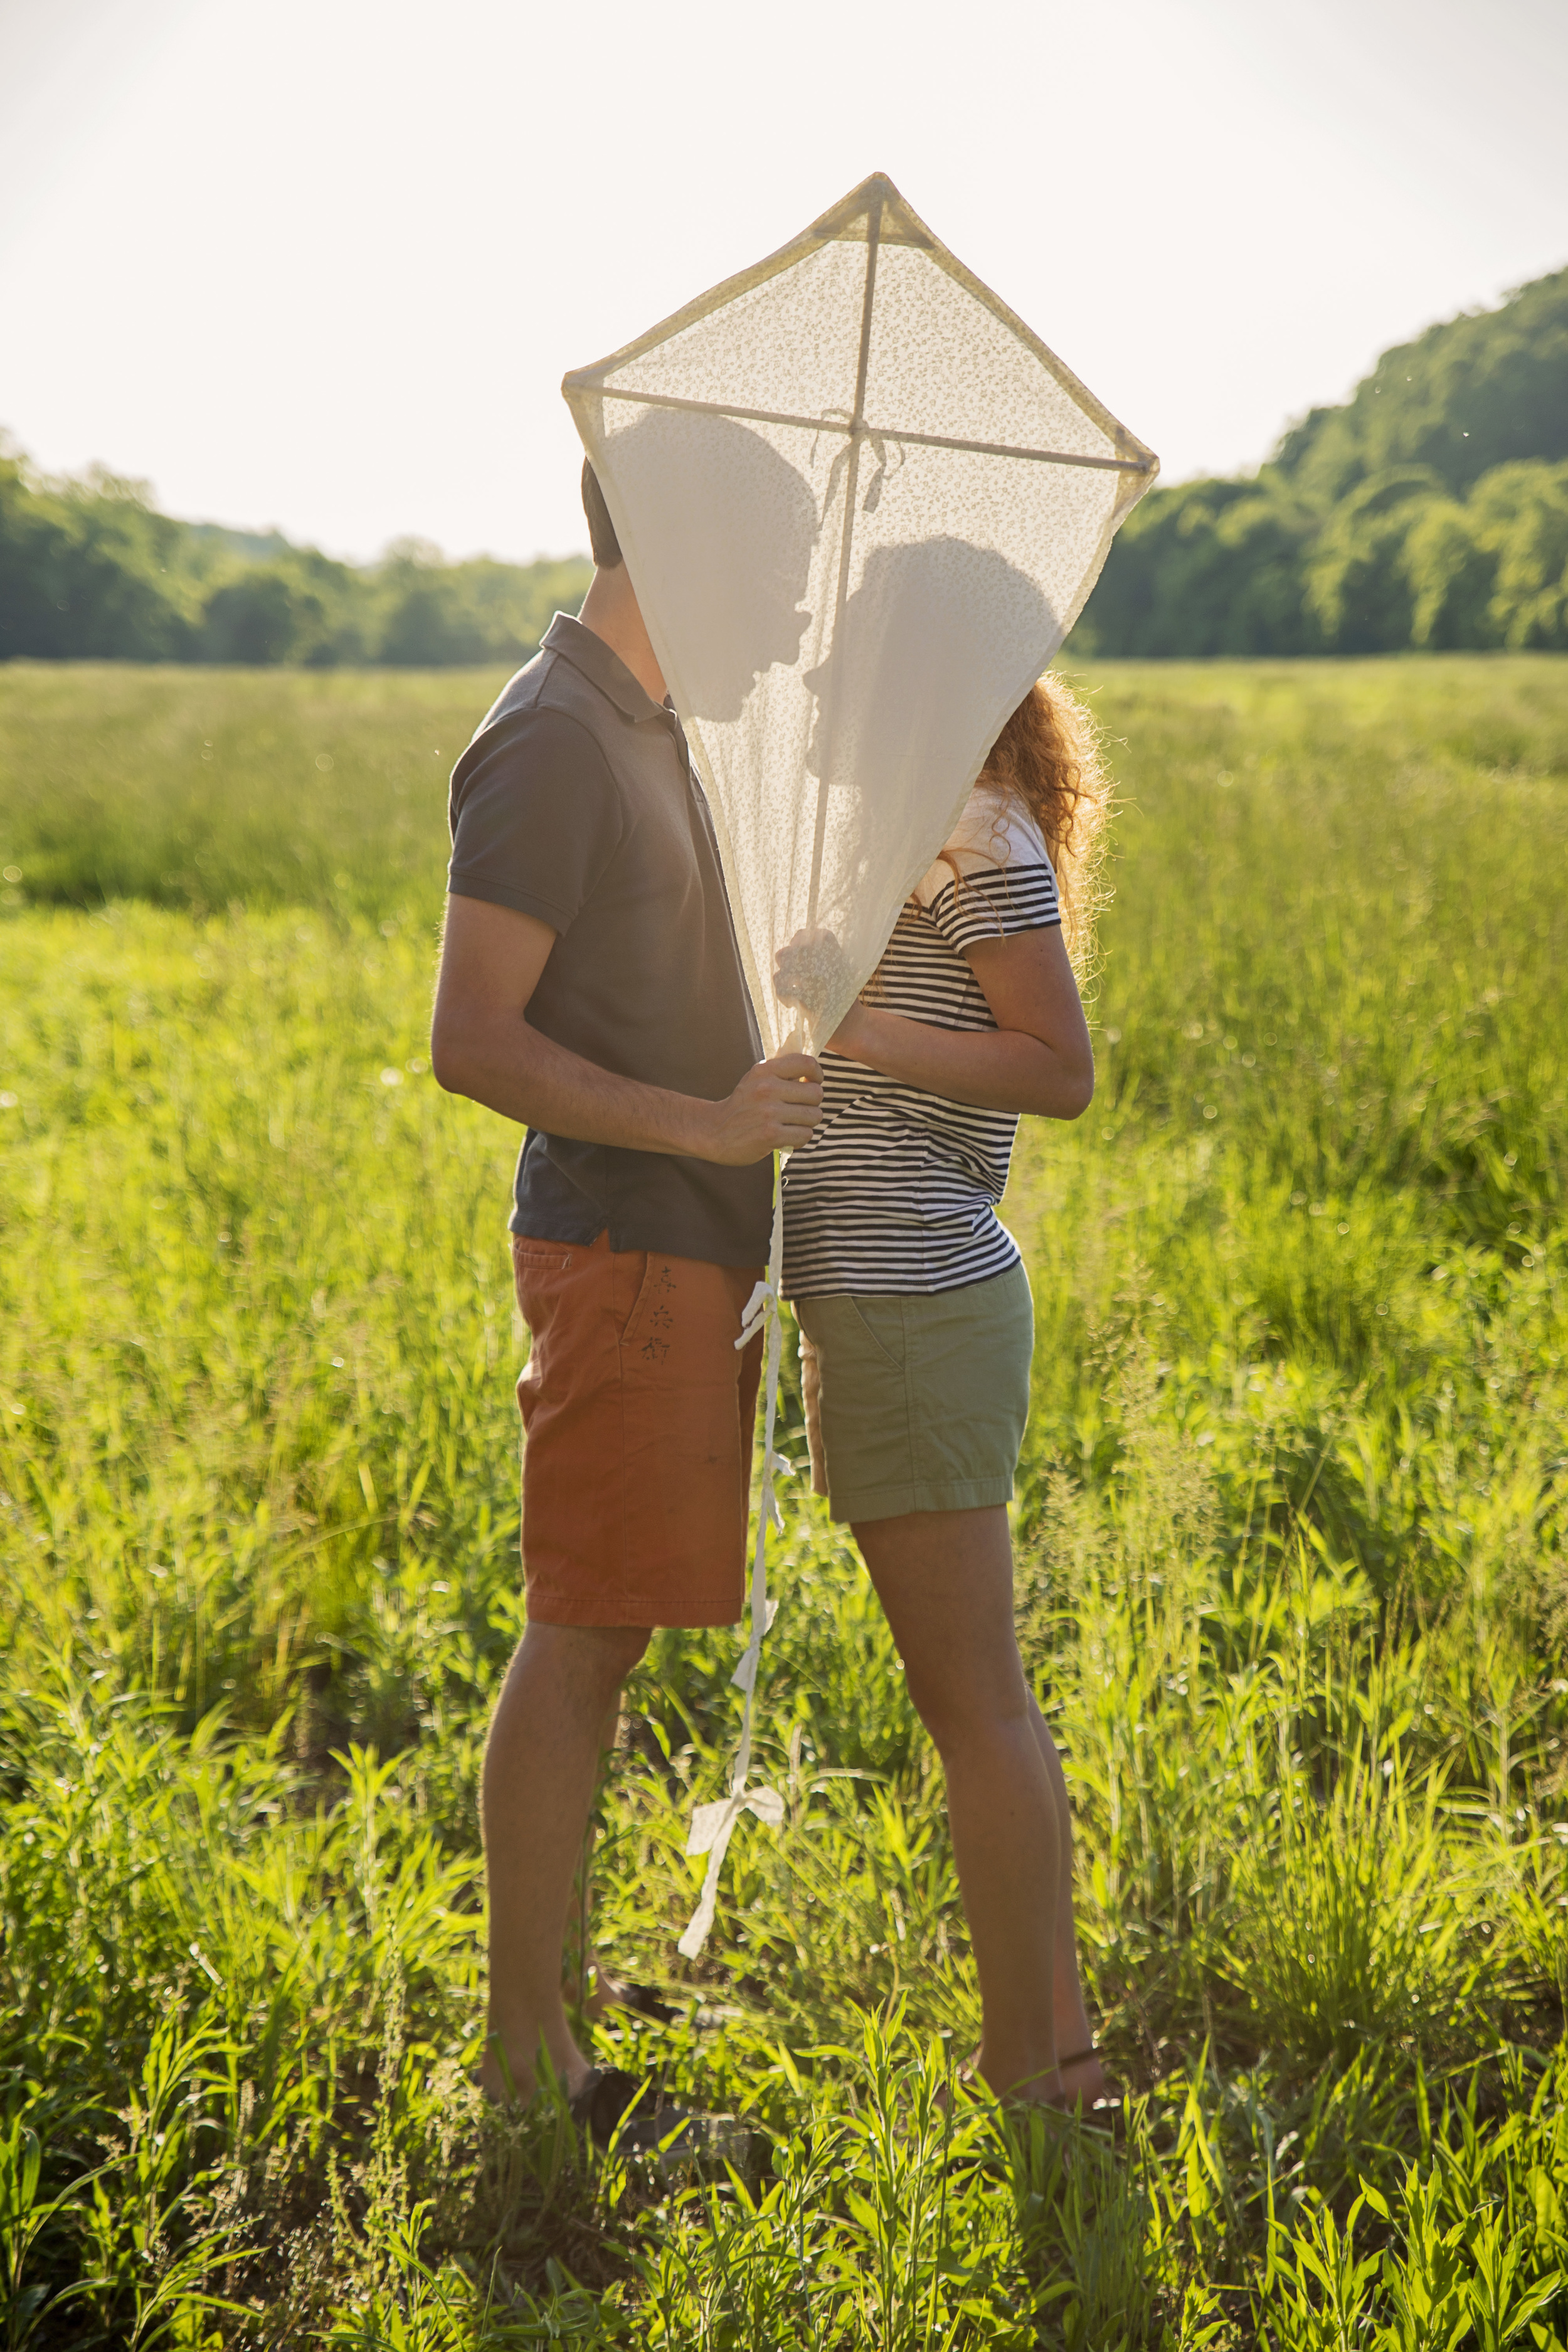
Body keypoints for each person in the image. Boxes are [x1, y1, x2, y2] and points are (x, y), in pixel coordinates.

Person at [430, 461, 822, 2132]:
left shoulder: (656, 725)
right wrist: (706, 1124)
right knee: (580, 1632)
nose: (797, 611)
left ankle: (553, 2027)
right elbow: (472, 1039)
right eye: (780, 574)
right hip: (622, 1242)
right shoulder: (552, 740)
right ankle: (533, 2068)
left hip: (689, 1242)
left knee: (605, 1627)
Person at [778, 670, 1116, 2116]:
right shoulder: (920, 826)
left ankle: (1028, 2070)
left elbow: (1058, 1069)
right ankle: (1062, 2051)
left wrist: (850, 1026)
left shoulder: (974, 831)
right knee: (976, 1700)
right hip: (888, 1297)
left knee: (974, 1705)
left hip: (915, 1293)